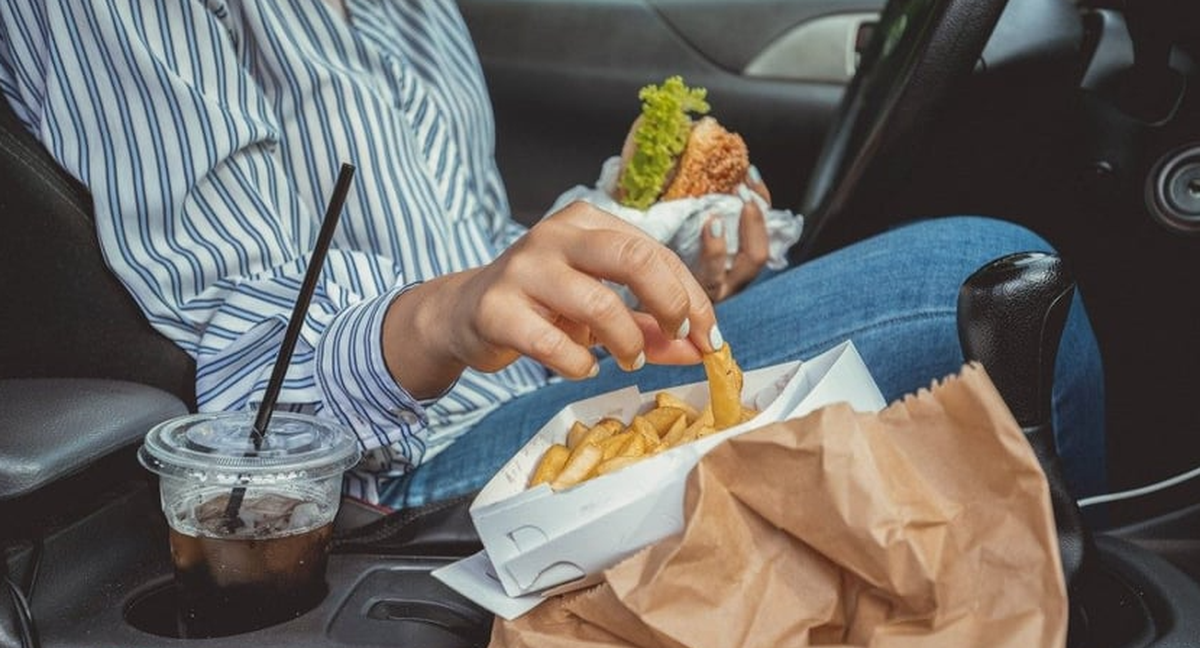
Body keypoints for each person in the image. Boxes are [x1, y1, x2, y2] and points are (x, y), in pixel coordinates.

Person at [0, 0, 1105, 513]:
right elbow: (245, 392)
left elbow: (469, 251)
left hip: (519, 392)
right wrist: (446, 318)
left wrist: (635, 232)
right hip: (383, 480)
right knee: (980, 285)